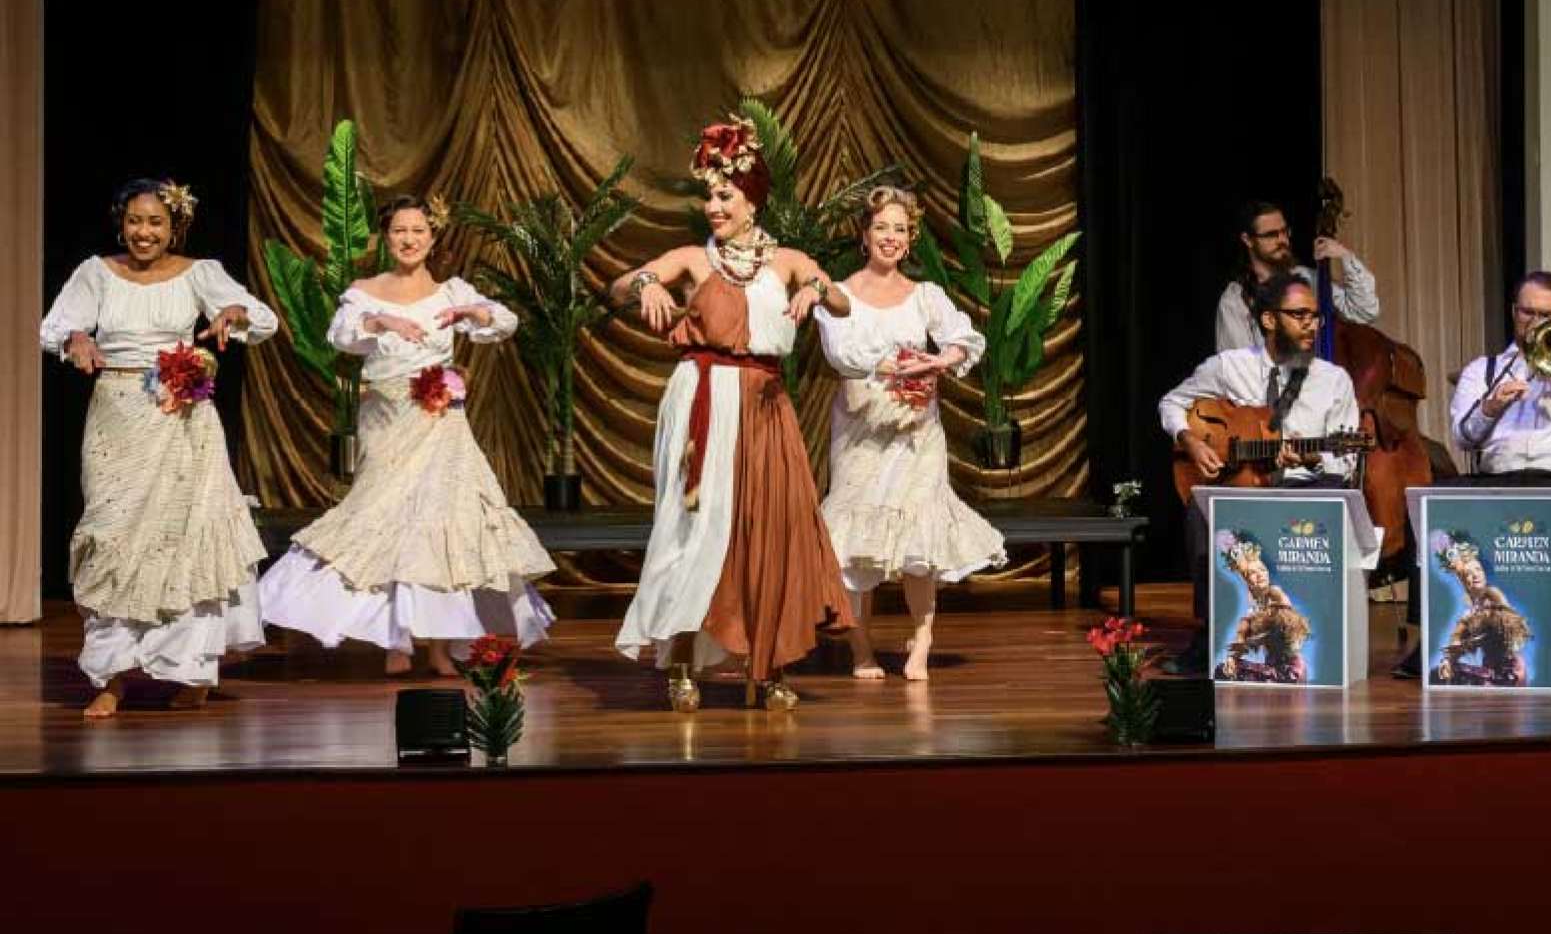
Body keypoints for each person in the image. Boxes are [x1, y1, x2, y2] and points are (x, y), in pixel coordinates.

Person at [612, 117, 855, 711]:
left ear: (752, 202)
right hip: (703, 400)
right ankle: (681, 664)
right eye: (710, 195)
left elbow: (844, 300)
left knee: (771, 532)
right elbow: (619, 286)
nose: (713, 205)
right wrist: (645, 281)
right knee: (695, 531)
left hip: (766, 408)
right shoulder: (695, 258)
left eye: (725, 196)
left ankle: (770, 668)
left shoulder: (790, 261)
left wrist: (818, 291)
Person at [258, 195, 555, 675]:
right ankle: (396, 640)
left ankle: (438, 644)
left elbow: (506, 322)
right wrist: (378, 320)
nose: (410, 239)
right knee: (386, 518)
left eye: (418, 231)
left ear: (432, 237)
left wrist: (475, 315)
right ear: (386, 236)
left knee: (442, 526)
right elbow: (341, 335)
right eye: (400, 231)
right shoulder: (364, 291)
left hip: (441, 424)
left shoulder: (452, 291)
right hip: (387, 419)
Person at [39, 178, 280, 718]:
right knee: (114, 534)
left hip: (182, 419)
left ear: (175, 226)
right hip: (116, 416)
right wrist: (77, 338)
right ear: (121, 223)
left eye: (155, 223)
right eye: (134, 221)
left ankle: (193, 669)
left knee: (185, 537)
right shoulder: (95, 271)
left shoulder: (201, 273)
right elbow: (55, 325)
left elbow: (261, 318)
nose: (143, 232)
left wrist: (231, 315)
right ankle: (113, 676)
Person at [815, 186, 1006, 680]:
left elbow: (965, 340)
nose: (891, 237)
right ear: (864, 234)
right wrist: (894, 366)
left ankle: (921, 641)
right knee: (857, 545)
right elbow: (841, 355)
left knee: (919, 539)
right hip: (862, 433)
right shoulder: (839, 295)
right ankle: (861, 650)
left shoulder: (925, 296)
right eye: (882, 227)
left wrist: (940, 359)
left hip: (919, 434)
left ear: (910, 239)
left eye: (900, 229)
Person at [1397, 270, 1551, 682]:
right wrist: (1490, 406)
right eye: (1527, 312)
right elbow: (1463, 438)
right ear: (1513, 312)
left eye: (1546, 315)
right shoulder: (1483, 369)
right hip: (1497, 480)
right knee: (1426, 503)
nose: (1534, 323)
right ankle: (1426, 636)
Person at [1161, 274, 1360, 668]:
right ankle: (1208, 635)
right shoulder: (1229, 367)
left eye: (1315, 317)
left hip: (1306, 486)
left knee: (1328, 494)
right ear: (1269, 320)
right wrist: (1191, 440)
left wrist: (1313, 458)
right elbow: (1171, 402)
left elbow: (1347, 460)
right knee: (1202, 513)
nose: (1310, 325)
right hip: (1246, 486)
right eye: (1299, 314)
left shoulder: (1333, 380)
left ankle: (1313, 640)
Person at [1214, 200, 1379, 353]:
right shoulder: (1236, 300)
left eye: (1285, 232)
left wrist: (1345, 256)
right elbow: (1239, 370)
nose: (1282, 240)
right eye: (1272, 235)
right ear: (1248, 240)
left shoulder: (1307, 279)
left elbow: (1364, 311)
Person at [1429, 532, 1531, 687]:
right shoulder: (1470, 607)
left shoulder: (1493, 595)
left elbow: (1508, 626)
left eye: (1478, 570)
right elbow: (1458, 635)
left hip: (1507, 670)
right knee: (1438, 674)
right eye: (1468, 574)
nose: (1475, 575)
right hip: (1490, 669)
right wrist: (1448, 660)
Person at [1213, 529, 1312, 683]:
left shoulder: (1275, 594)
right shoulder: (1252, 606)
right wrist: (1232, 659)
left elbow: (1289, 630)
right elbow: (1242, 638)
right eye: (1253, 572)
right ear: (1245, 578)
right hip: (1273, 669)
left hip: (1290, 672)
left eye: (1262, 569)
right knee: (1223, 669)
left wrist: (1252, 631)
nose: (1261, 574)